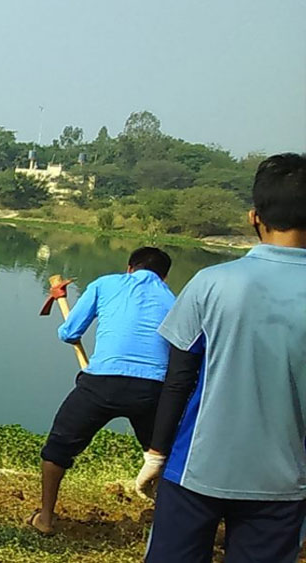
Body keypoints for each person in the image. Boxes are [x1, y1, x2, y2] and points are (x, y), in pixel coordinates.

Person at [136, 153, 306, 563]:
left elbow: (178, 378)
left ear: (254, 217)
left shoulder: (212, 283)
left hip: (197, 468)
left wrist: (157, 454)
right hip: (284, 481)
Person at [29, 247, 176, 534]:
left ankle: (45, 518)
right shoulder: (174, 299)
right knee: (162, 456)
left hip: (101, 383)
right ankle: (168, 523)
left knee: (57, 449)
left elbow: (69, 333)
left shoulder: (105, 283)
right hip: (153, 389)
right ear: (165, 277)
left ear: (129, 268)